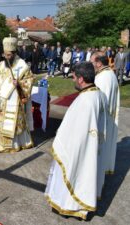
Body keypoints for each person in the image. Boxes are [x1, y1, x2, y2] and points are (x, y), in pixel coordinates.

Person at [45, 62, 107, 220]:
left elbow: (77, 132)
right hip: (90, 147)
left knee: (74, 174)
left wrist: (61, 141)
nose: (73, 80)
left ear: (80, 79)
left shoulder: (86, 100)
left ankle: (70, 206)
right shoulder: (98, 94)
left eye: (73, 77)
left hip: (77, 149)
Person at [0, 36, 34, 153]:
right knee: (2, 121)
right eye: (5, 55)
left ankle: (15, 145)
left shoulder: (22, 65)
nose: (6, 57)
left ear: (14, 53)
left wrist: (19, 83)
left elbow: (29, 80)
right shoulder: (3, 64)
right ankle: (2, 145)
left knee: (13, 122)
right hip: (2, 99)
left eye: (9, 55)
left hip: (15, 99)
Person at [91, 52, 120, 175]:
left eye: (92, 62)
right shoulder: (109, 74)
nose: (90, 65)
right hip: (108, 119)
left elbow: (98, 102)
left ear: (98, 63)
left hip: (101, 122)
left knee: (98, 154)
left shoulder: (103, 78)